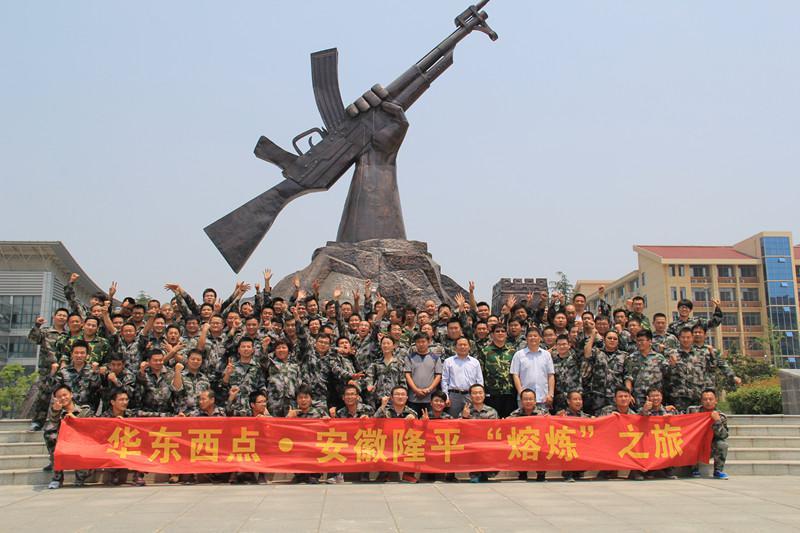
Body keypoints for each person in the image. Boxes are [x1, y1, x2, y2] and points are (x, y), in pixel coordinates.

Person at [45, 384, 93, 489]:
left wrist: (75, 419)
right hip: (64, 443)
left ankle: (81, 476)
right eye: (59, 396)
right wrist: (56, 412)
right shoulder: (54, 411)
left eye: (65, 395)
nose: (63, 398)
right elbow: (52, 426)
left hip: (81, 444)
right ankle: (57, 478)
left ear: (71, 394)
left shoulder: (84, 410)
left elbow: (91, 428)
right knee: (50, 435)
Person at [374, 386, 418, 484]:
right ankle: (384, 473)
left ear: (407, 398)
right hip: (387, 441)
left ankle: (408, 474)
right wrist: (382, 406)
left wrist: (418, 420)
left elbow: (417, 431)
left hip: (404, 442)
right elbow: (374, 421)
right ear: (391, 397)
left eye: (403, 395)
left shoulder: (411, 412)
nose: (400, 397)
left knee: (415, 443)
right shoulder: (385, 410)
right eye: (397, 394)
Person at [286, 385, 328, 485]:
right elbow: (283, 431)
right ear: (296, 400)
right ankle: (299, 475)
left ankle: (314, 475)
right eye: (300, 397)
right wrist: (288, 418)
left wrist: (327, 420)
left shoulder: (319, 412)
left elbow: (330, 429)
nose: (303, 400)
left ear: (311, 399)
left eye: (306, 397)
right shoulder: (293, 414)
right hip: (299, 447)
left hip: (315, 446)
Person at [507, 388, 548, 482]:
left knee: (544, 446)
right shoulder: (516, 413)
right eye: (525, 399)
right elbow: (507, 425)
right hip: (522, 441)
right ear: (521, 401)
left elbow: (550, 425)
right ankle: (522, 473)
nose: (528, 401)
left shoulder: (543, 413)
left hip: (538, 441)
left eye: (530, 399)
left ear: (535, 401)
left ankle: (541, 474)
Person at [688, 388, 730, 479]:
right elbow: (681, 421)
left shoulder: (720, 416)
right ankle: (693, 469)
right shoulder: (693, 411)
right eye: (705, 399)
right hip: (695, 442)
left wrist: (717, 421)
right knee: (689, 443)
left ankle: (718, 470)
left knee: (722, 445)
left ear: (716, 401)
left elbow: (724, 435)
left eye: (710, 399)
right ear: (701, 401)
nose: (708, 402)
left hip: (711, 444)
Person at [510, 328, 554, 412]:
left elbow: (551, 375)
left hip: (543, 398)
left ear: (540, 338)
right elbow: (515, 375)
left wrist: (550, 394)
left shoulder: (546, 355)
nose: (533, 338)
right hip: (525, 399)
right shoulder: (519, 355)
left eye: (535, 336)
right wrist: (521, 393)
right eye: (530, 336)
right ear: (526, 338)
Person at [461, 384, 499, 483]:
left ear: (484, 395)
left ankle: (486, 472)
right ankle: (475, 473)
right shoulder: (466, 411)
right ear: (470, 396)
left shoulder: (492, 411)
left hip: (488, 444)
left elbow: (497, 430)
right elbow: (459, 430)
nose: (478, 395)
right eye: (474, 393)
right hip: (471, 444)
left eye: (480, 393)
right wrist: (464, 417)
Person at [480, 324, 517, 417]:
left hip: (509, 393)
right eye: (497, 331)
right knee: (493, 420)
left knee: (509, 420)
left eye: (503, 331)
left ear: (506, 334)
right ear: (492, 334)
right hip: (492, 393)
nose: (500, 333)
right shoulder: (485, 351)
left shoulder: (513, 351)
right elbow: (481, 373)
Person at [441, 337, 483, 418]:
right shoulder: (448, 361)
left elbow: (480, 381)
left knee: (471, 419)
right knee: (453, 419)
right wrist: (446, 396)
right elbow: (444, 380)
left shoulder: (475, 362)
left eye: (465, 345)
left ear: (469, 347)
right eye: (460, 345)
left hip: (470, 395)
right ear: (455, 347)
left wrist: (479, 395)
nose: (462, 347)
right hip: (454, 396)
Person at [404, 333, 443, 414]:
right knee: (413, 419)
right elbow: (407, 375)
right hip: (413, 397)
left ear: (428, 342)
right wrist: (416, 390)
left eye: (423, 341)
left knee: (428, 420)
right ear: (415, 344)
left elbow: (438, 376)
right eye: (418, 342)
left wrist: (429, 389)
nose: (421, 344)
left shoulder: (435, 357)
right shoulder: (409, 357)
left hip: (430, 397)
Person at [557, 390, 590, 481]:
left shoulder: (585, 417)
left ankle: (578, 471)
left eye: (580, 399)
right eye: (575, 399)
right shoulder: (561, 415)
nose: (578, 402)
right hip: (566, 444)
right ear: (568, 401)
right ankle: (568, 472)